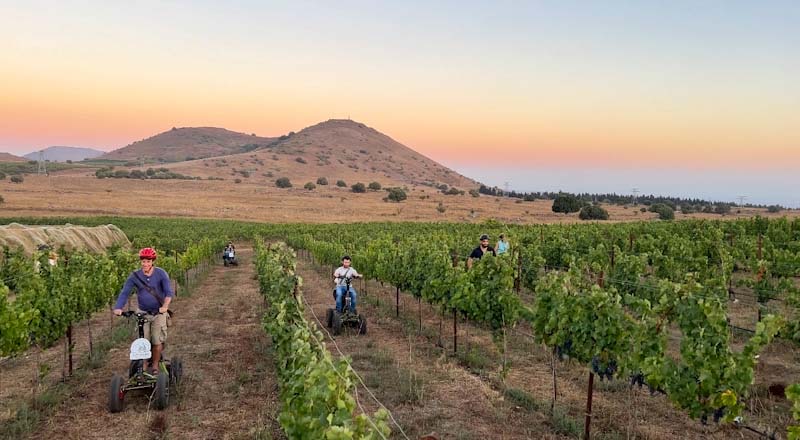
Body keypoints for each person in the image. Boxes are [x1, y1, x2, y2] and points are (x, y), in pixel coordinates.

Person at [113, 248, 173, 374]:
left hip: (158, 313)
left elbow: (168, 292)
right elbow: (125, 292)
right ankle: (144, 364)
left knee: (157, 339)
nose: (145, 264)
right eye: (143, 261)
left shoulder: (161, 274)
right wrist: (118, 307)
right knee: (143, 340)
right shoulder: (135, 276)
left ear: (152, 262)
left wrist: (165, 306)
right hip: (143, 312)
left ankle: (155, 364)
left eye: (148, 261)